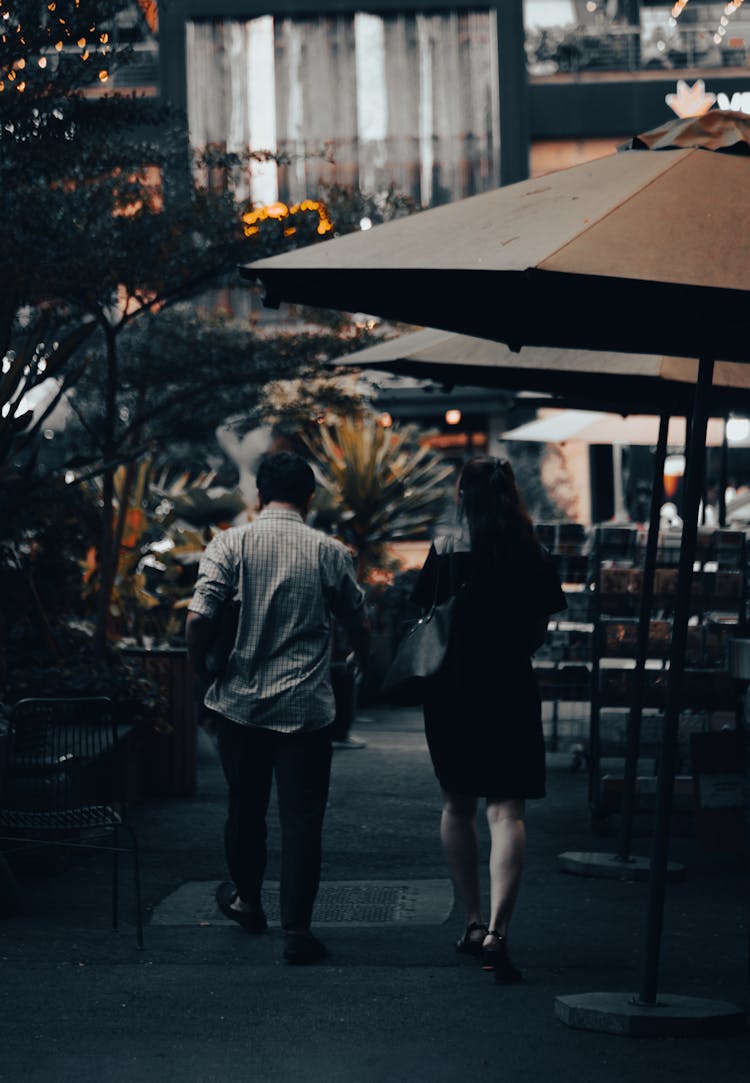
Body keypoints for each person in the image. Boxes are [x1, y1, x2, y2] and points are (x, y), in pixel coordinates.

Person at [186, 451, 370, 965]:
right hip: (306, 711)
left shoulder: (231, 543)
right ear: (309, 498)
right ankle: (298, 931)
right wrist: (361, 656)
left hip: (240, 707)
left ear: (258, 496)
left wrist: (201, 666)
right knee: (303, 819)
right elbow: (358, 622)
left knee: (245, 810)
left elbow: (198, 618)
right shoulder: (329, 552)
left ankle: (247, 900)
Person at [412, 457, 565, 982]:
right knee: (508, 812)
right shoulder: (533, 552)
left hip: (452, 691)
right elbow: (540, 628)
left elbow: (423, 616)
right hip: (510, 689)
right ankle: (500, 931)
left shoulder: (448, 551)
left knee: (457, 804)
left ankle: (472, 921)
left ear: (463, 496)